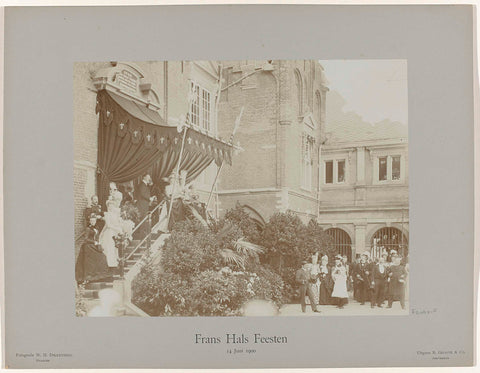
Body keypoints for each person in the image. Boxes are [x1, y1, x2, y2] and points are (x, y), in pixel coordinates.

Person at [75, 214, 110, 284]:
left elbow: (97, 236)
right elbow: (86, 239)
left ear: (96, 221)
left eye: (94, 221)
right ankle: (88, 277)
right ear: (90, 221)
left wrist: (98, 243)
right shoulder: (88, 229)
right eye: (91, 221)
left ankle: (98, 276)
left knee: (103, 256)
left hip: (94, 245)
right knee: (91, 262)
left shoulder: (96, 228)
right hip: (88, 246)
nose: (92, 222)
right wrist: (94, 242)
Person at [99, 187, 124, 269]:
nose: (111, 207)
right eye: (109, 206)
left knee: (115, 248)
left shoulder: (115, 214)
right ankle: (109, 264)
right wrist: (117, 229)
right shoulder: (107, 214)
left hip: (114, 232)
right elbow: (109, 225)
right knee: (109, 247)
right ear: (108, 207)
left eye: (112, 206)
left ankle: (116, 263)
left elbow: (116, 224)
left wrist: (119, 227)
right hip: (109, 232)